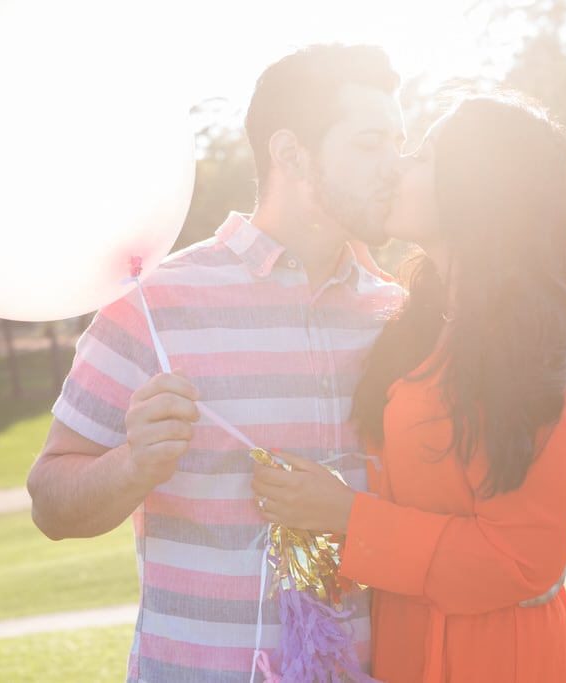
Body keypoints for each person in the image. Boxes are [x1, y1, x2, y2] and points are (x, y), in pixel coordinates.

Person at [27, 43, 406, 682]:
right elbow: (50, 504)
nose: (394, 168)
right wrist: (135, 464)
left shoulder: (397, 315)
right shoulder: (153, 308)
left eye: (399, 143)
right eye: (371, 144)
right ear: (291, 155)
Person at [251, 91, 566, 681]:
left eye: (424, 155)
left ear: (476, 191)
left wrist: (346, 515)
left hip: (496, 657)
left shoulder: (519, 348)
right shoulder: (422, 323)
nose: (399, 166)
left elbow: (522, 559)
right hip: (410, 647)